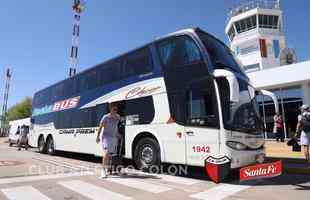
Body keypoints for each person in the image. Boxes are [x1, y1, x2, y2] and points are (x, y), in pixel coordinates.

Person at [96, 103, 121, 178]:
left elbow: (115, 127)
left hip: (113, 138)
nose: (115, 111)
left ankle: (109, 169)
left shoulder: (118, 117)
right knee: (106, 153)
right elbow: (100, 127)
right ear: (110, 109)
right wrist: (98, 137)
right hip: (106, 137)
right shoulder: (105, 117)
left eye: (116, 109)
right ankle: (103, 171)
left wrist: (118, 134)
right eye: (114, 109)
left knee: (110, 154)